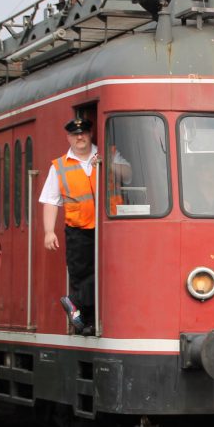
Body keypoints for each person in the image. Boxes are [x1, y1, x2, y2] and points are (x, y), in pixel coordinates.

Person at [39, 116, 129, 334]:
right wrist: (49, 232)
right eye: (74, 134)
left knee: (107, 270)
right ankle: (86, 323)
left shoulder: (109, 153)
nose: (79, 137)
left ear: (90, 134)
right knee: (82, 274)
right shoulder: (59, 166)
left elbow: (128, 174)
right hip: (78, 228)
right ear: (68, 137)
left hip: (110, 226)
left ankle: (74, 303)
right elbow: (51, 201)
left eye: (83, 133)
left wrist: (107, 162)